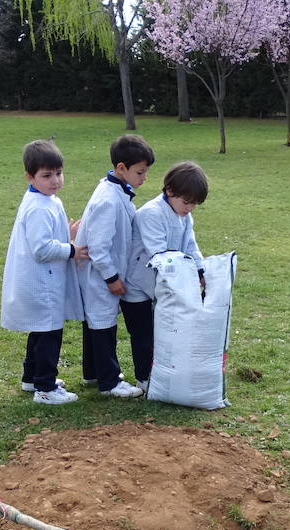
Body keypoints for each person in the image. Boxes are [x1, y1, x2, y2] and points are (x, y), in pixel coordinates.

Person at [1, 139, 90, 405]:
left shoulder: (48, 200)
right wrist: (71, 249)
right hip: (41, 284)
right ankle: (45, 388)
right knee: (49, 333)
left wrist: (68, 234)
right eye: (47, 175)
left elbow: (51, 235)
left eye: (59, 173)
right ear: (30, 176)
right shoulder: (39, 206)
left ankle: (32, 378)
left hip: (45, 282)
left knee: (40, 331)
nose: (55, 181)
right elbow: (41, 249)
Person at [74, 134, 153, 398]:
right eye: (139, 173)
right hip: (100, 276)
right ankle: (108, 382)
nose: (144, 178)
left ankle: (93, 372)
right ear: (121, 168)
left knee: (96, 321)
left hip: (101, 273)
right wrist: (111, 278)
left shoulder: (116, 192)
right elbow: (98, 247)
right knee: (102, 323)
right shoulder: (108, 200)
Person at [121, 160, 208, 391]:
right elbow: (159, 253)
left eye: (194, 204)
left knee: (163, 332)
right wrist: (184, 275)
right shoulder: (151, 213)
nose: (189, 208)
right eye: (186, 202)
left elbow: (190, 245)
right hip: (137, 285)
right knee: (143, 335)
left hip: (164, 286)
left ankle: (162, 373)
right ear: (170, 191)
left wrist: (200, 270)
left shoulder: (184, 216)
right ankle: (144, 379)